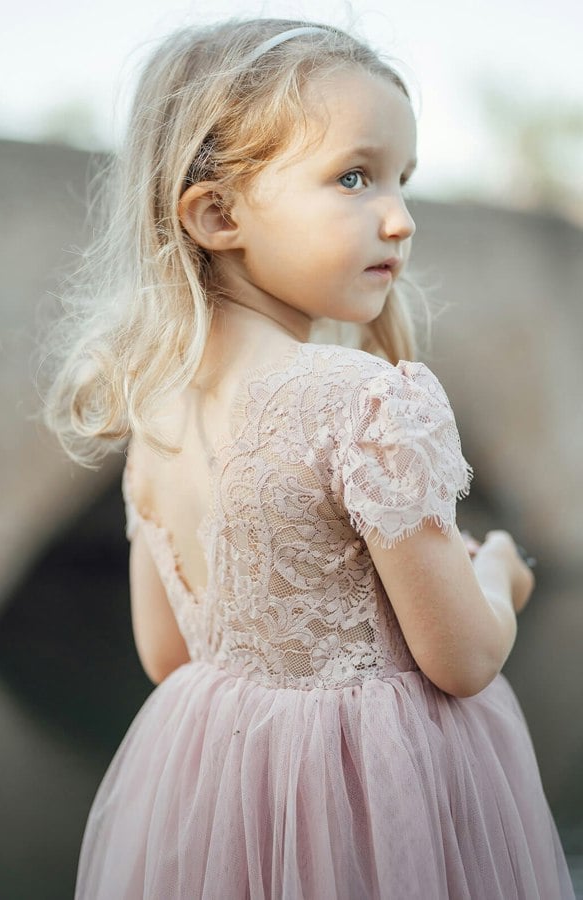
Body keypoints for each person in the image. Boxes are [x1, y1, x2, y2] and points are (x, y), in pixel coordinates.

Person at [40, 17, 575, 899]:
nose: (400, 219)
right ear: (217, 214)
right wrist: (502, 578)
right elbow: (464, 661)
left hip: (216, 805)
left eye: (403, 180)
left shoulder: (158, 409)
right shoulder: (362, 396)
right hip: (376, 804)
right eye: (355, 177)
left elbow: (168, 654)